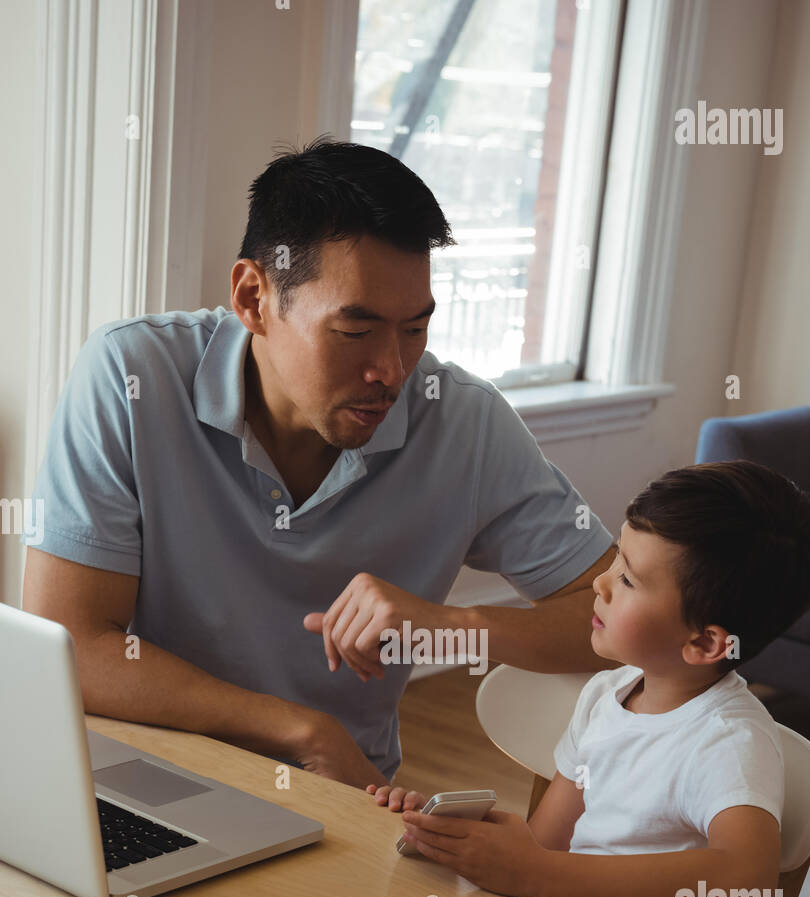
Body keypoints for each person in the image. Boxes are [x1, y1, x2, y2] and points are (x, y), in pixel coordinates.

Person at [22, 137, 615, 789]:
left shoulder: (463, 423)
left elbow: (617, 618)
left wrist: (448, 625)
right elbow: (73, 646)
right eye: (354, 331)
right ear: (253, 298)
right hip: (143, 773)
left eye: (414, 329)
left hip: (343, 796)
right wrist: (299, 730)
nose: (390, 370)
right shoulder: (130, 376)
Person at [378, 460, 810, 897]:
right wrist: (460, 842)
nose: (600, 582)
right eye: (617, 557)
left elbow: (745, 883)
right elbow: (544, 846)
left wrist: (538, 874)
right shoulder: (605, 696)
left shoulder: (729, 741)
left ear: (704, 643)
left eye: (628, 579)